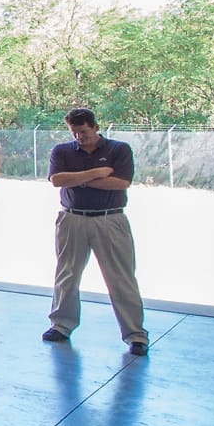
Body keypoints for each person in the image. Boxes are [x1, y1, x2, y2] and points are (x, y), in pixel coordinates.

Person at [43, 107, 148, 354]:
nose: (79, 137)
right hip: (72, 218)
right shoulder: (62, 151)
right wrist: (97, 173)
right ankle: (61, 325)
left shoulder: (118, 150)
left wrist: (76, 178)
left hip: (109, 219)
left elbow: (120, 182)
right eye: (74, 132)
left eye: (84, 131)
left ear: (96, 127)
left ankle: (135, 334)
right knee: (67, 274)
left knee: (121, 278)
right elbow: (57, 180)